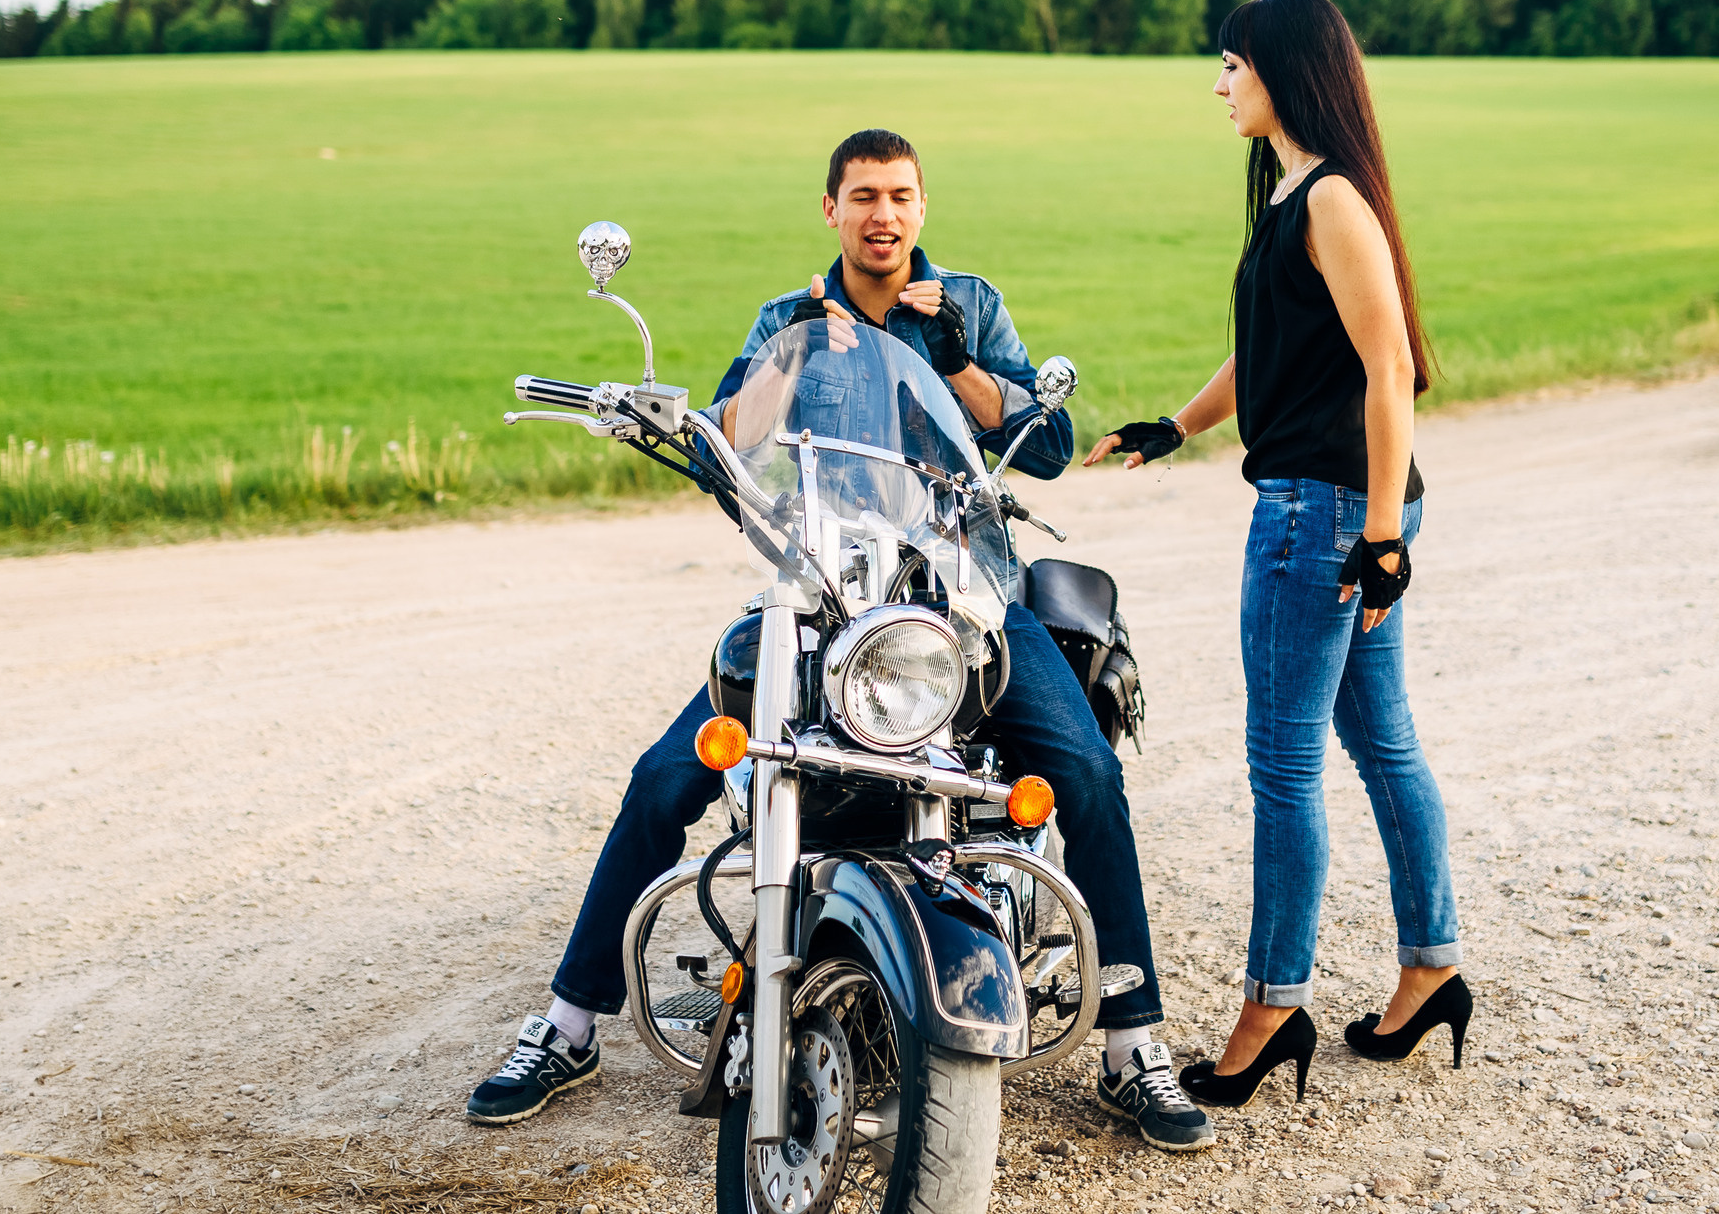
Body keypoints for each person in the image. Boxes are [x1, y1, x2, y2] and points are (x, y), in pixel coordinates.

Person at [469, 128, 1211, 1151]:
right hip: (821, 592)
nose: (884, 215)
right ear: (832, 209)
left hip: (964, 593)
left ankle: (1135, 1044)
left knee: (1084, 769)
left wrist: (952, 355)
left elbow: (1046, 447)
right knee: (662, 777)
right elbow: (725, 447)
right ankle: (567, 1022)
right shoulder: (791, 318)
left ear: (920, 207)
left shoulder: (968, 306)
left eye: (901, 195)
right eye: (863, 195)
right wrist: (783, 371)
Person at [1086, 0, 1468, 1106]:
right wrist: (1179, 423)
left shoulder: (1333, 199)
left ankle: (1272, 1002)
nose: (1218, 85)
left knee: (1284, 762)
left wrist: (1384, 537)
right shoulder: (1299, 193)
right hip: (1342, 506)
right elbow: (1275, 353)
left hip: (1324, 516)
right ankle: (1431, 964)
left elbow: (1388, 367)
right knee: (1379, 740)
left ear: (1281, 73)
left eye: (1229, 65)